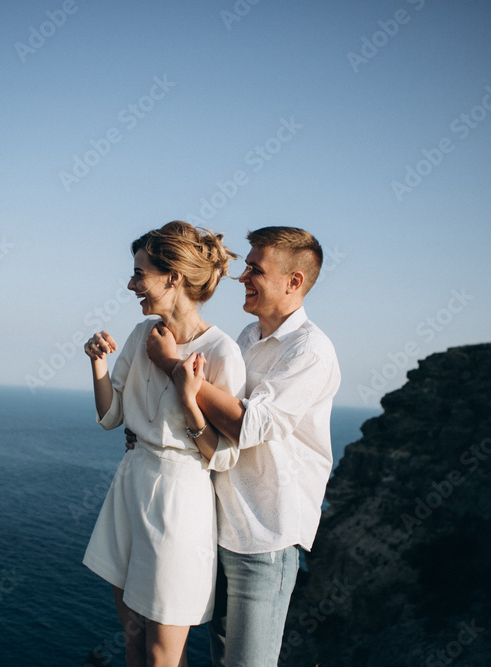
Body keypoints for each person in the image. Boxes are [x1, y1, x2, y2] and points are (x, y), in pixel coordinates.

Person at [145, 226, 341, 666]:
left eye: (255, 268)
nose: (242, 276)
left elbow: (248, 424)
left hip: (266, 539)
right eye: (246, 265)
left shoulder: (311, 351)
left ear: (294, 282)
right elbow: (208, 407)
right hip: (220, 527)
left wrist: (174, 365)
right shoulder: (247, 339)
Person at [82, 221, 246, 667]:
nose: (131, 284)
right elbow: (110, 418)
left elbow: (226, 454)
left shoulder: (222, 351)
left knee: (162, 656)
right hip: (132, 485)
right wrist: (98, 365)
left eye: (140, 273)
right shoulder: (140, 337)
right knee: (134, 643)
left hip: (178, 500)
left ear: (173, 277)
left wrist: (189, 398)